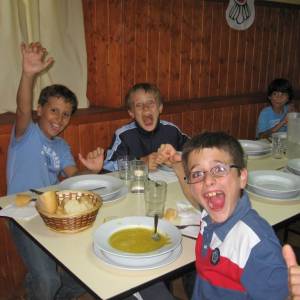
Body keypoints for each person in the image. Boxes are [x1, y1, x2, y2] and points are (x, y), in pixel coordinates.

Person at [7, 42, 104, 300]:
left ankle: (45, 294)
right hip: (22, 216)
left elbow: (73, 178)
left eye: (66, 114)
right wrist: (28, 74)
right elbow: (22, 107)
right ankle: (41, 289)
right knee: (48, 279)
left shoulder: (61, 145)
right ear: (40, 109)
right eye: (53, 110)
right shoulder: (26, 133)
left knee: (89, 268)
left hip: (52, 215)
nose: (59, 119)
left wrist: (92, 172)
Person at [158, 132, 288, 299]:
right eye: (197, 174)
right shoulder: (210, 213)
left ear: (242, 177)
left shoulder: (256, 247)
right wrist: (177, 165)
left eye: (219, 169)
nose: (208, 181)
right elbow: (195, 197)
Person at [103, 82, 189, 171]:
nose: (146, 108)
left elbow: (196, 151)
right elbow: (107, 165)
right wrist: (140, 163)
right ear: (131, 113)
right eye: (139, 105)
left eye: (150, 103)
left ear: (160, 108)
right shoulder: (123, 135)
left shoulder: (172, 130)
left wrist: (176, 157)